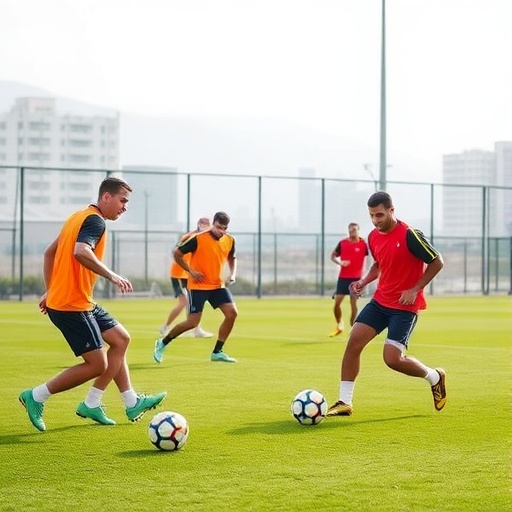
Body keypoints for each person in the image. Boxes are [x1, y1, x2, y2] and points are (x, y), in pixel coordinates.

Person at [19, 177, 167, 432]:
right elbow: (81, 251)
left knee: (121, 339)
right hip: (71, 305)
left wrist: (50, 290)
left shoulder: (77, 217)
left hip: (77, 301)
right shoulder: (95, 221)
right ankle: (36, 395)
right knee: (97, 365)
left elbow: (48, 253)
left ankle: (124, 402)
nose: (125, 207)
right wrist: (112, 275)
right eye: (122, 201)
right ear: (106, 197)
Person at [326, 191, 446, 417]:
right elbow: (379, 265)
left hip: (404, 308)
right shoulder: (373, 236)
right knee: (353, 342)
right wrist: (363, 281)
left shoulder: (410, 235)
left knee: (392, 360)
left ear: (391, 210)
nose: (375, 220)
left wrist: (415, 289)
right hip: (380, 302)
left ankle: (434, 376)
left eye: (379, 215)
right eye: (371, 215)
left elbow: (437, 262)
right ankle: (344, 402)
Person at [153, 211, 238, 364]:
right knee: (192, 323)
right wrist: (190, 271)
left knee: (232, 313)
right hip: (198, 287)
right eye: (218, 227)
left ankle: (217, 352)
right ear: (213, 224)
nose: (221, 231)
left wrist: (232, 274)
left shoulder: (230, 240)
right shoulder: (198, 238)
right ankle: (162, 343)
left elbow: (232, 258)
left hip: (217, 285)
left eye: (224, 228)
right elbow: (177, 253)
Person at [159, 217, 213, 338]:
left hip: (188, 275)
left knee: (193, 301)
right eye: (203, 224)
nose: (205, 227)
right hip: (178, 274)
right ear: (199, 225)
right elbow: (176, 252)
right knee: (184, 302)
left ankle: (196, 329)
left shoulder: (204, 239)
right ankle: (165, 327)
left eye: (207, 225)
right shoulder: (189, 237)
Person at [329, 222, 368, 337]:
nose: (352, 231)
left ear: (358, 230)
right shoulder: (342, 243)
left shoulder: (364, 244)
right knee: (337, 303)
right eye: (350, 230)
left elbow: (373, 258)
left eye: (354, 229)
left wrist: (365, 278)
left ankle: (353, 328)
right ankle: (339, 324)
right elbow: (333, 256)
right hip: (343, 278)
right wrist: (340, 262)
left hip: (356, 279)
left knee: (353, 304)